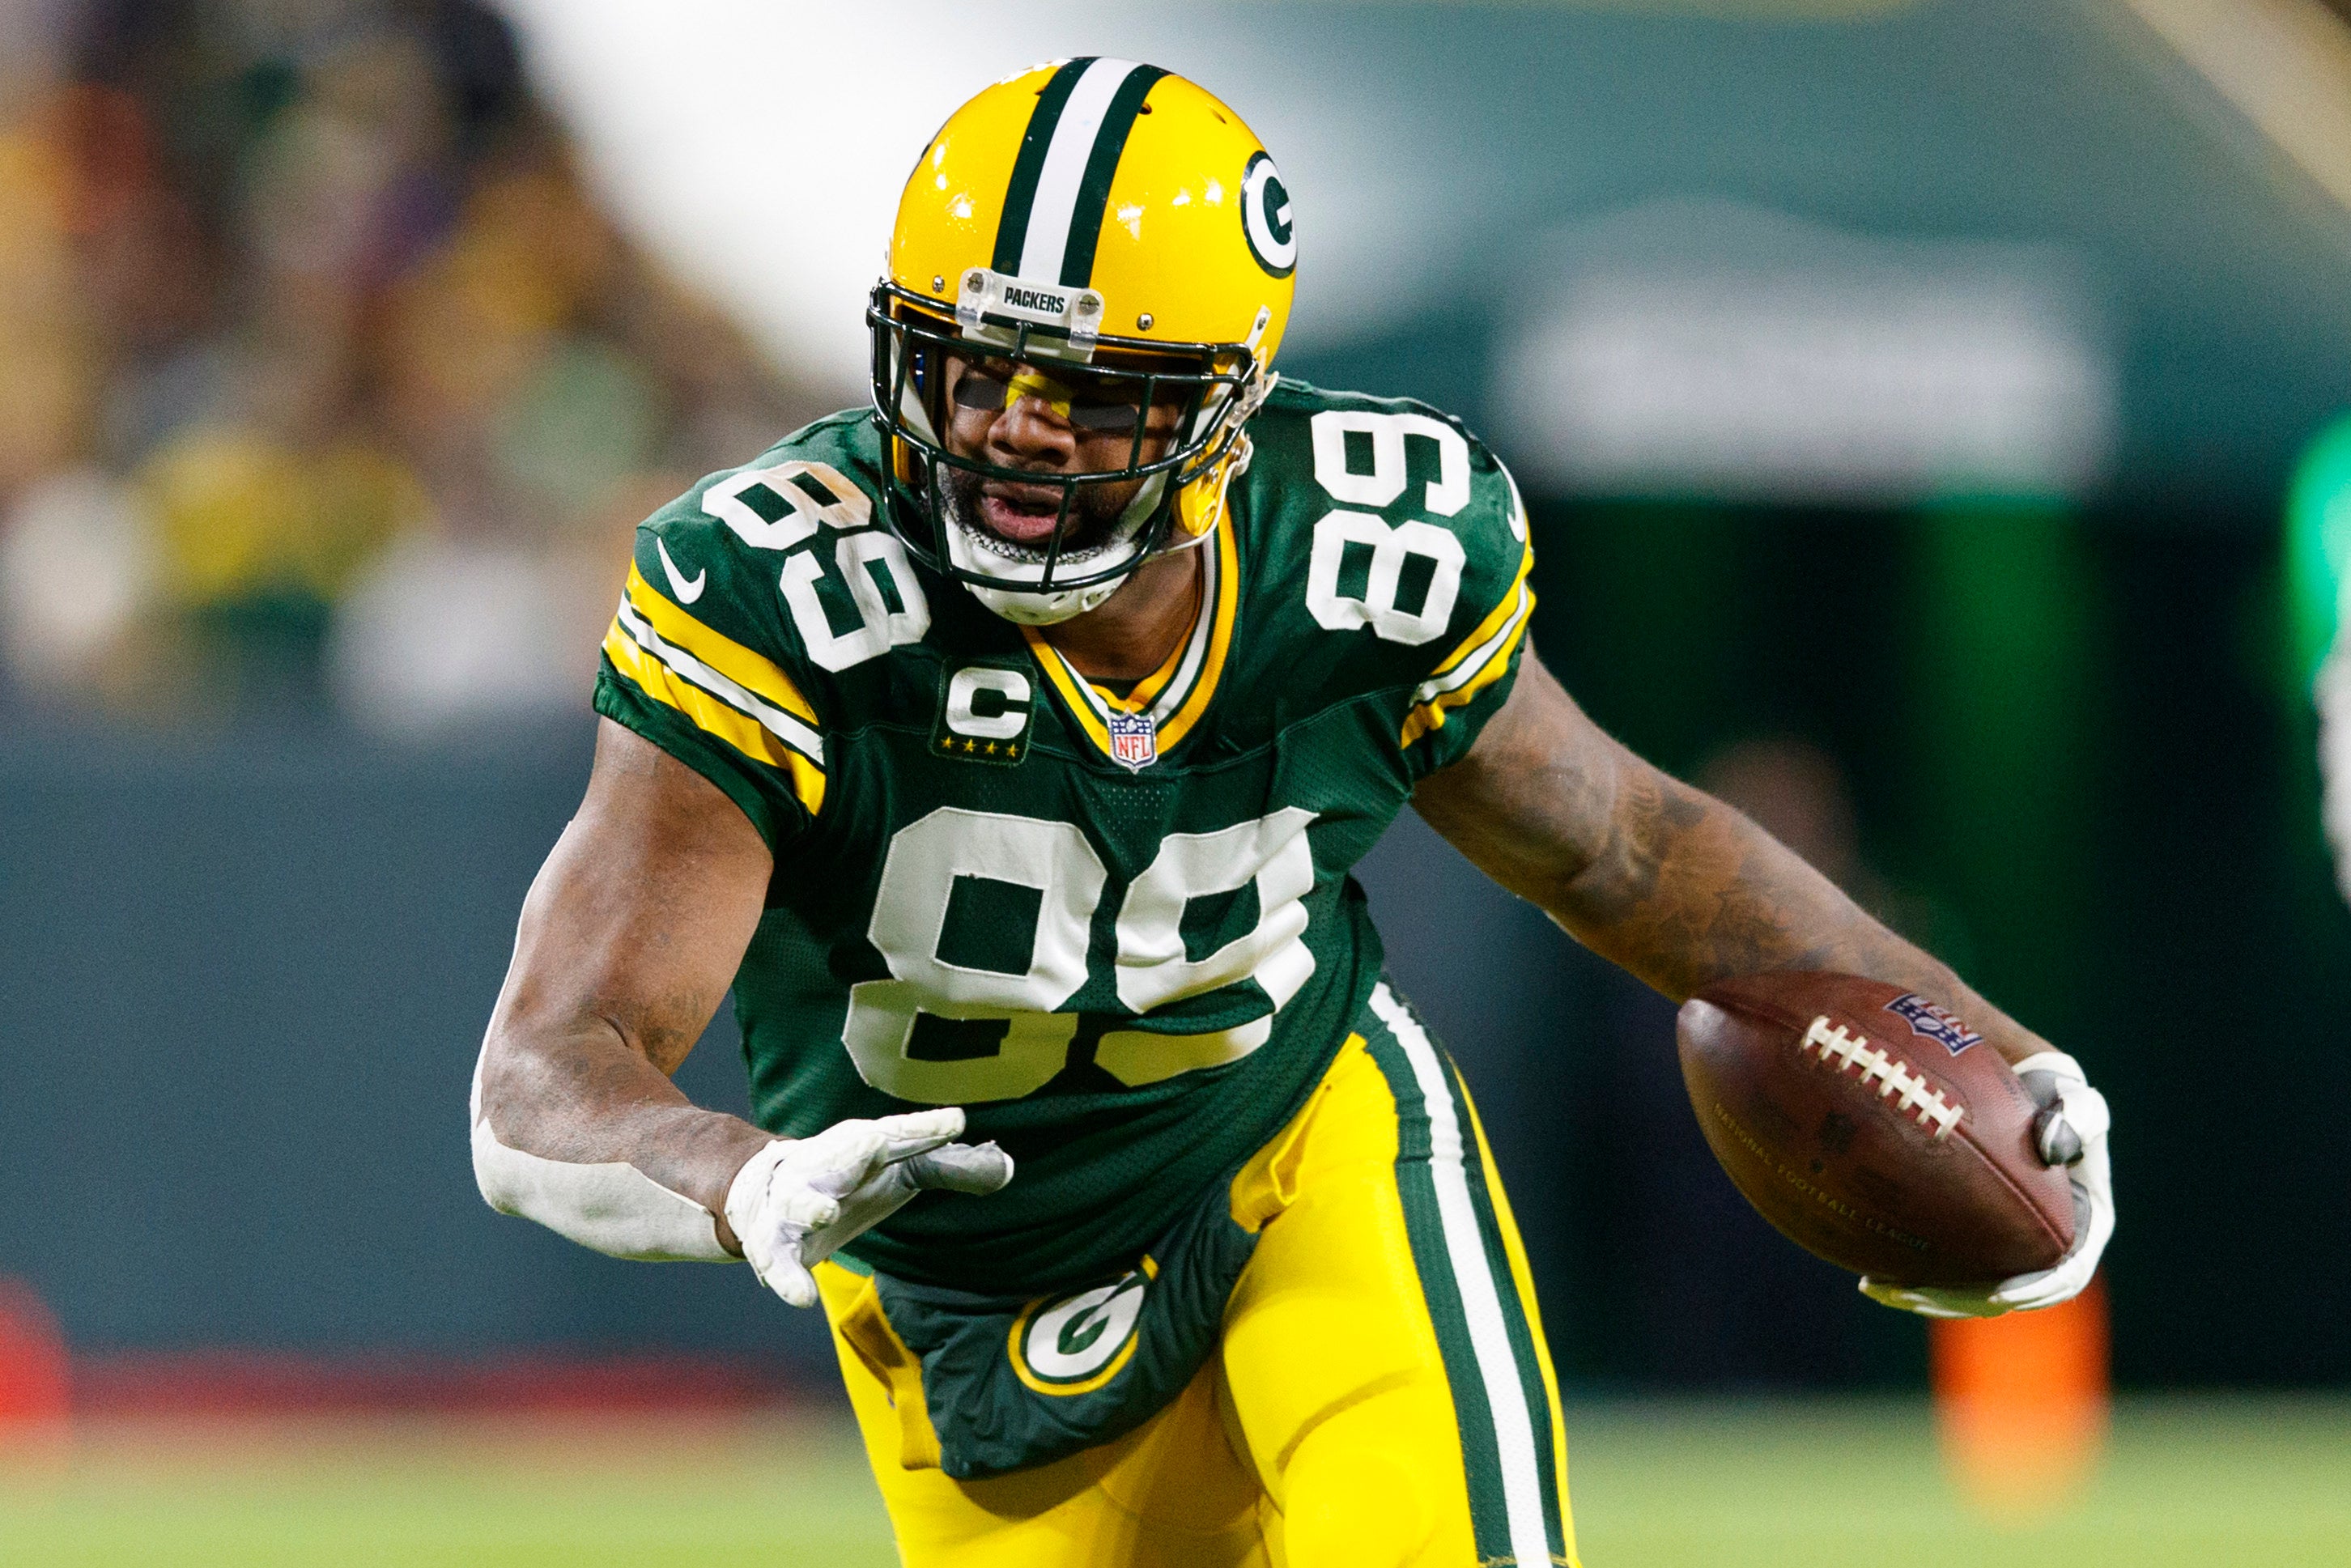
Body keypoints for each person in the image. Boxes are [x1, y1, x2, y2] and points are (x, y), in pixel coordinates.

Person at [470, 60, 2114, 1568]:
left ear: (1227, 411)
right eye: (976, 369)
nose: (1016, 432)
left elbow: (1616, 841)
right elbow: (541, 1078)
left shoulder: (1362, 549)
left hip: (1289, 1155)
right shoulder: (778, 592)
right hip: (968, 1301)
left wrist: (1997, 1051)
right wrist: (740, 1178)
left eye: (1093, 392)